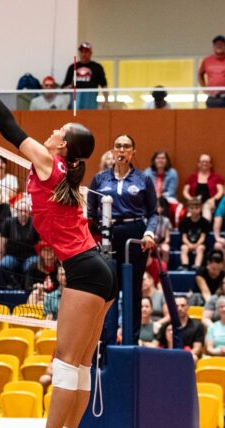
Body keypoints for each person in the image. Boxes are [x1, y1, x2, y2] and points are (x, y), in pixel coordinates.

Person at [0, 60, 117, 428]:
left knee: (67, 363)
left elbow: (11, 128)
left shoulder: (49, 164)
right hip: (99, 271)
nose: (53, 132)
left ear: (64, 148)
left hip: (87, 271)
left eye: (60, 132)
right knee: (82, 366)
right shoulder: (63, 174)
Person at [87, 133, 157, 346]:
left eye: (127, 146)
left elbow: (153, 212)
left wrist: (149, 233)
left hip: (134, 234)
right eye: (118, 146)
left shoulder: (143, 179)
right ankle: (106, 343)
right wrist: (97, 233)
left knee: (133, 290)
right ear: (113, 150)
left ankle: (131, 342)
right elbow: (90, 212)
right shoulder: (99, 179)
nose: (122, 150)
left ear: (133, 152)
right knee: (109, 291)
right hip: (108, 235)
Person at [0, 201, 39, 289]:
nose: (23, 213)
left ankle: (25, 287)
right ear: (16, 211)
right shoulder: (8, 222)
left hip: (30, 256)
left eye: (25, 211)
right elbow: (2, 243)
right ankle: (13, 285)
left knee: (32, 265)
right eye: (20, 211)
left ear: (29, 212)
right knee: (2, 265)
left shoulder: (35, 223)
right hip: (12, 256)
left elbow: (39, 243)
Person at [62, 42, 107, 110]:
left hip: (91, 97)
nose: (84, 54)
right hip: (75, 98)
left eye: (86, 52)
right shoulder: (72, 67)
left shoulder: (97, 67)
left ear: (90, 53)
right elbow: (64, 89)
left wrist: (106, 102)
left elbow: (104, 86)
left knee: (90, 118)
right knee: (76, 119)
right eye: (82, 52)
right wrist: (70, 87)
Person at [182, 154, 224, 220]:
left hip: (209, 201)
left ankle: (205, 227)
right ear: (198, 164)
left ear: (210, 164)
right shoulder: (192, 177)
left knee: (206, 208)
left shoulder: (216, 177)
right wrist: (191, 199)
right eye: (202, 161)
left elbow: (221, 191)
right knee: (192, 211)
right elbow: (185, 191)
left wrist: (214, 199)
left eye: (207, 162)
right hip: (195, 200)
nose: (204, 163)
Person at [178, 198, 209, 271]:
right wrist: (189, 244)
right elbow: (184, 237)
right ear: (188, 209)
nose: (194, 210)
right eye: (192, 208)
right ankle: (185, 265)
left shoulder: (204, 222)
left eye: (196, 208)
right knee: (183, 248)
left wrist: (196, 245)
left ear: (200, 209)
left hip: (200, 244)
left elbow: (203, 237)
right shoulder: (184, 222)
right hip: (187, 243)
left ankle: (197, 266)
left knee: (200, 248)